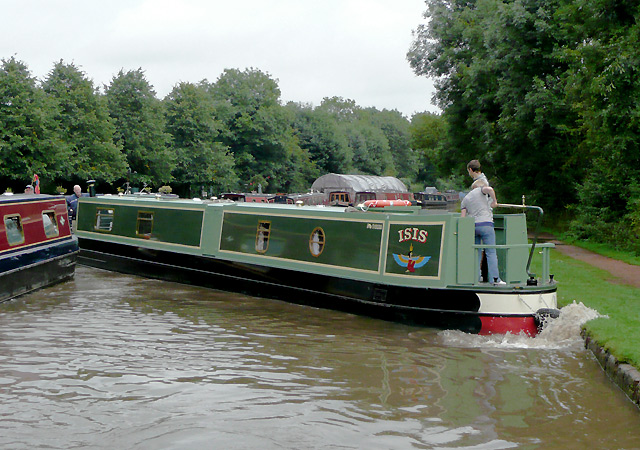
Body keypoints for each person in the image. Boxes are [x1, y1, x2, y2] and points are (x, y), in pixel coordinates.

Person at [460, 179, 505, 285]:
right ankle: (495, 279)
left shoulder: (465, 199)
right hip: (486, 224)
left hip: (473, 227)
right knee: (491, 252)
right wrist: (494, 201)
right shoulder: (480, 190)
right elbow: (490, 189)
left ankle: (474, 279)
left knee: (477, 253)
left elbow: (462, 218)